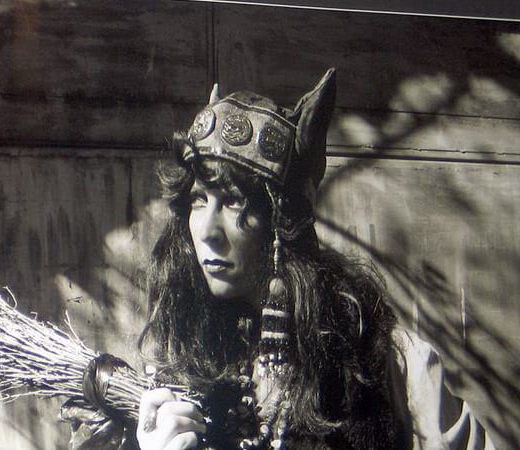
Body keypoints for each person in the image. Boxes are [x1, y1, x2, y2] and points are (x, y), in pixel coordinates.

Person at [61, 69, 495, 450]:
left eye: (233, 201)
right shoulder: (177, 363)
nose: (207, 231)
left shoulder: (388, 363)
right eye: (198, 200)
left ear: (280, 223)